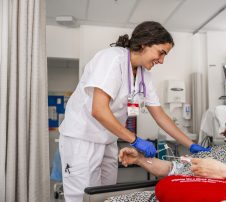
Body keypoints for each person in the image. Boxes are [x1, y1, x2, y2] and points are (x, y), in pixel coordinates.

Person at [58, 21, 209, 202]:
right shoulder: (111, 59)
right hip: (82, 139)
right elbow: (98, 110)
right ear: (144, 44)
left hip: (107, 141)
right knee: (81, 198)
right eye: (161, 53)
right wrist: (135, 140)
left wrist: (190, 144)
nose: (162, 60)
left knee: (104, 196)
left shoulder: (144, 74)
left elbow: (160, 115)